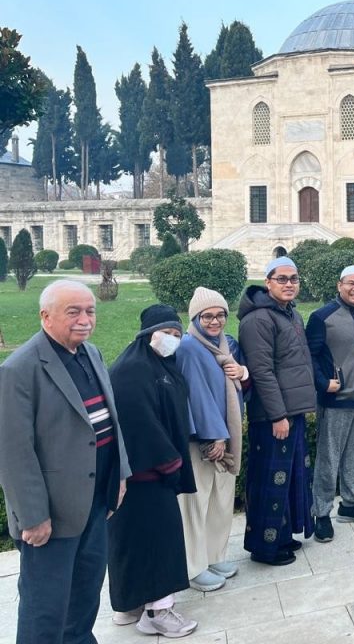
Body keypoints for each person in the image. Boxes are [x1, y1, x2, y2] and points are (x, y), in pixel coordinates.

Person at [0, 279, 130, 644]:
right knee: (45, 608)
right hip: (52, 514)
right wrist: (33, 516)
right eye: (73, 312)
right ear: (46, 316)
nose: (84, 319)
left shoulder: (91, 354)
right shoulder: (19, 370)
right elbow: (13, 451)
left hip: (96, 501)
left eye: (89, 311)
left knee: (85, 596)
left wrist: (119, 475)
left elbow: (110, 421)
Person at [106, 304, 198, 638]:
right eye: (166, 334)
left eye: (177, 334)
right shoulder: (132, 370)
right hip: (146, 474)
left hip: (140, 476)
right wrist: (170, 462)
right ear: (148, 335)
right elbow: (139, 423)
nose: (172, 340)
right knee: (159, 543)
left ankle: (129, 604)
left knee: (131, 543)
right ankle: (159, 611)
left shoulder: (158, 364)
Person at [237, 257, 316, 566]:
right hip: (272, 416)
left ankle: (282, 536)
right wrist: (277, 416)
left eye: (293, 279)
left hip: (290, 411)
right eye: (282, 279)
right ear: (267, 282)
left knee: (291, 476)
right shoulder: (258, 320)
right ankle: (264, 547)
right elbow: (262, 371)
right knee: (272, 478)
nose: (288, 284)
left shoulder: (289, 314)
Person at [305, 265, 354, 540]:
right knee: (329, 458)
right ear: (339, 285)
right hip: (336, 401)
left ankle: (350, 504)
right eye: (351, 283)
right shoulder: (322, 317)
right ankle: (322, 512)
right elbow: (310, 357)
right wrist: (323, 383)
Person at [176, 287, 247, 593]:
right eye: (208, 316)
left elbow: (229, 386)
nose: (215, 321)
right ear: (195, 318)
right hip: (204, 442)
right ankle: (193, 567)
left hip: (225, 437)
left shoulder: (222, 345)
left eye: (220, 315)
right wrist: (213, 435)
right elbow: (196, 394)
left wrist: (241, 372)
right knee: (197, 504)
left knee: (219, 501)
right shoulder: (190, 347)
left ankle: (213, 556)